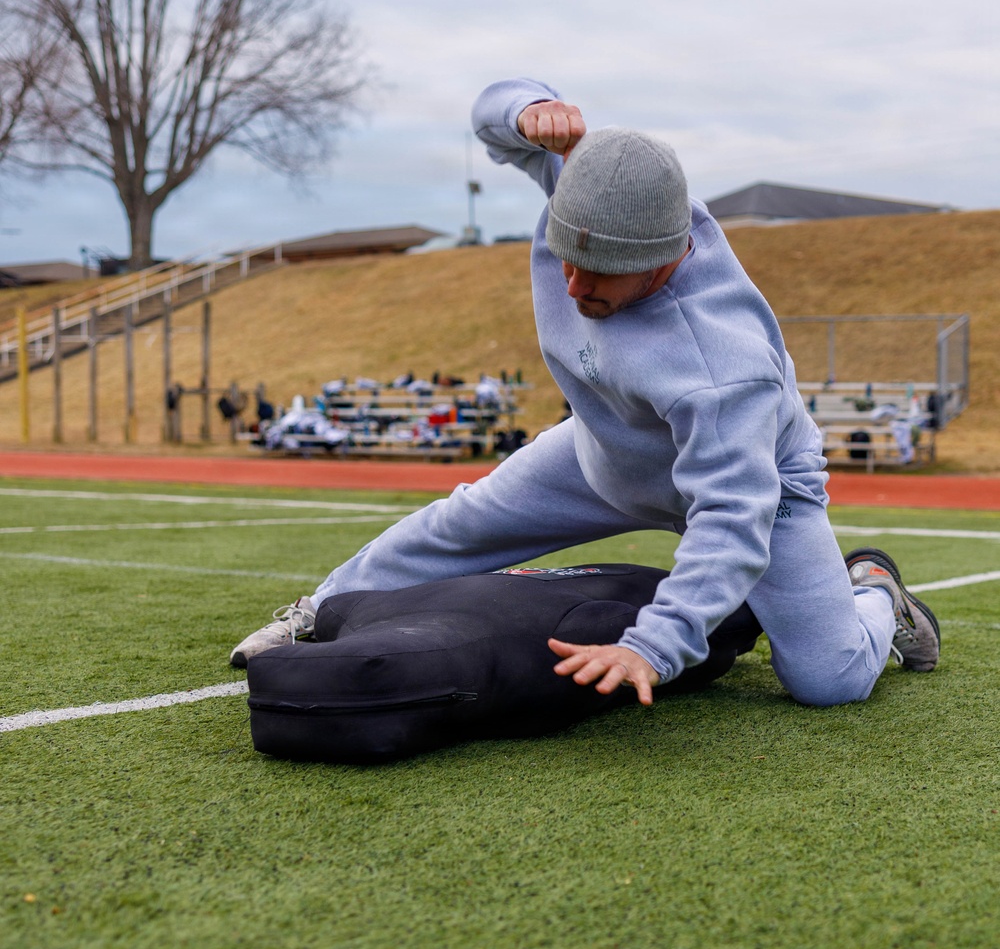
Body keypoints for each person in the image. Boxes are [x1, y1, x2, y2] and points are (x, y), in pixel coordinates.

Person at [231, 77, 939, 707]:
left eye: (596, 275)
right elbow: (489, 113)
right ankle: (317, 609)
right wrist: (526, 108)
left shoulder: (725, 364)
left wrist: (652, 645)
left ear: (664, 260)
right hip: (604, 451)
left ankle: (874, 587)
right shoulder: (594, 188)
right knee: (458, 524)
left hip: (755, 487)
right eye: (566, 259)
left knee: (829, 680)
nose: (571, 286)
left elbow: (730, 520)